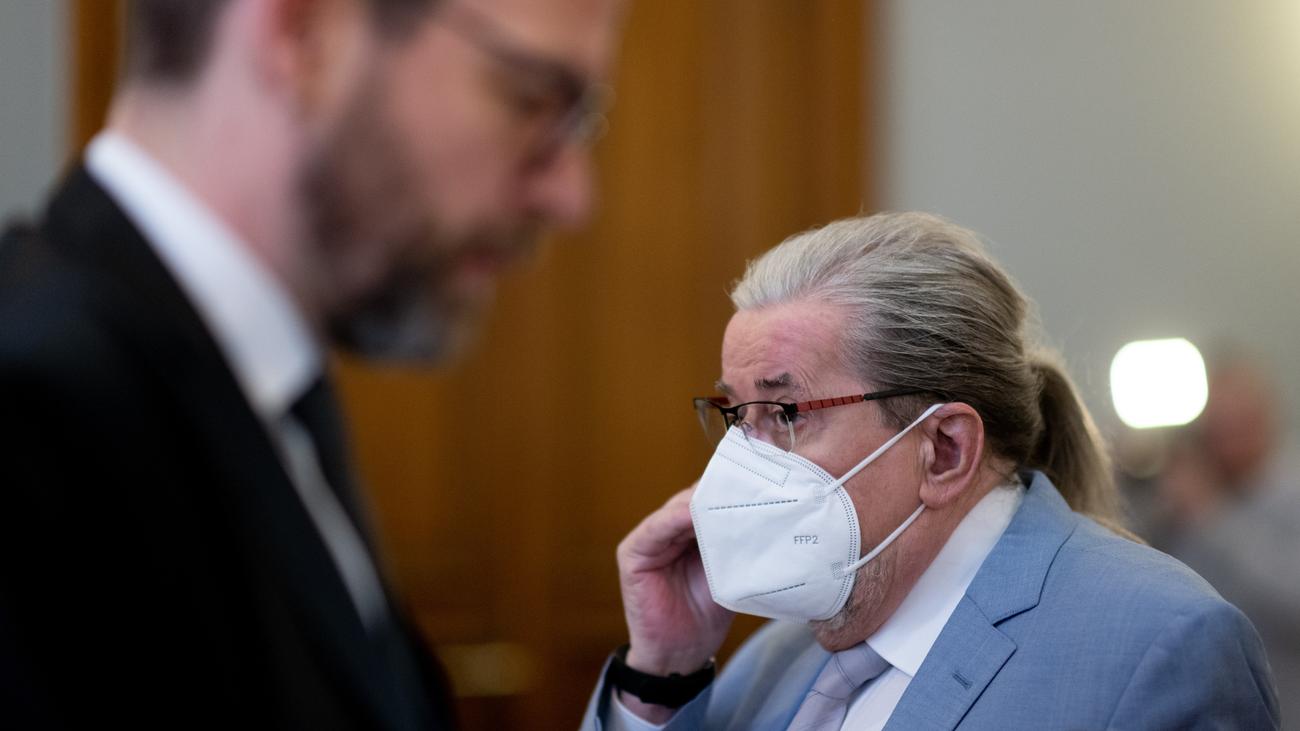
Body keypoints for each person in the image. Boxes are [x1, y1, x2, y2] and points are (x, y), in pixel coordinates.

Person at [0, 0, 624, 727]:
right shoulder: (31, 421)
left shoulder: (269, 398)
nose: (571, 196)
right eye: (531, 97)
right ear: (302, 31)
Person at [583, 212, 1279, 730]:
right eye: (737, 415)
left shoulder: (1161, 649)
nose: (742, 461)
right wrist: (660, 677)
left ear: (944, 449)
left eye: (787, 412)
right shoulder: (774, 656)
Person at [1131, 354, 1300, 723]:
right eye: (1218, 426)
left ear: (1268, 417)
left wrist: (1212, 516)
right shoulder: (1190, 502)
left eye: (1239, 422)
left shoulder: (1288, 496)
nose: (1228, 439)